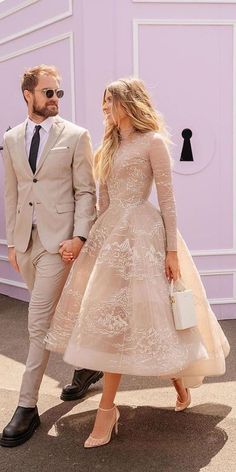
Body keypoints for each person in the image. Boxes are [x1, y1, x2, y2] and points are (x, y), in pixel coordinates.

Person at [45, 78, 230, 448]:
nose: (104, 108)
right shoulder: (108, 147)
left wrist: (171, 251)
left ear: (128, 104)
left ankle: (159, 391)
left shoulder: (154, 142)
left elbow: (168, 199)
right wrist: (91, 244)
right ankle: (111, 409)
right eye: (103, 102)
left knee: (155, 321)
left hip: (145, 236)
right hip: (109, 237)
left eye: (109, 101)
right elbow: (102, 204)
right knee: (115, 324)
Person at [0, 65, 103, 448]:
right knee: (60, 313)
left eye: (58, 93)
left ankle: (26, 407)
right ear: (28, 94)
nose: (55, 99)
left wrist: (79, 236)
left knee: (38, 319)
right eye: (48, 93)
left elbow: (85, 191)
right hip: (25, 244)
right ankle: (88, 365)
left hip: (60, 244)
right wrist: (12, 242)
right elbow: (11, 193)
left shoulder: (76, 136)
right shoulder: (11, 138)